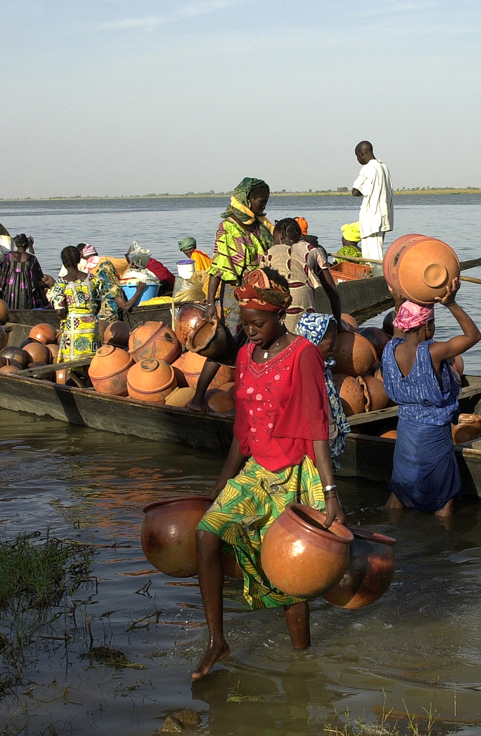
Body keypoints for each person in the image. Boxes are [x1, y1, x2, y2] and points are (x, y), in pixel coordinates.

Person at [192, 268, 344, 680]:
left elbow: (317, 425)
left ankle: (302, 662)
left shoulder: (303, 354)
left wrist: (330, 492)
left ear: (279, 316)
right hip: (257, 470)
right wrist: (221, 484)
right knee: (206, 534)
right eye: (244, 324)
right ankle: (216, 641)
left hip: (294, 472)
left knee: (289, 571)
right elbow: (243, 429)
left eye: (257, 324)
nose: (250, 331)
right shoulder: (244, 355)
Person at [381, 282, 481, 518]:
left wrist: (398, 302)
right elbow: (473, 336)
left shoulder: (391, 349)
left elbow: (399, 331)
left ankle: (390, 526)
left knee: (401, 485)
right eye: (432, 323)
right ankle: (443, 536)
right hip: (432, 433)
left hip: (406, 430)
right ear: (427, 326)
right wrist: (451, 303)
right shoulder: (433, 352)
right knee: (444, 493)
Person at [187, 178, 274, 414]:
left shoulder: (259, 226)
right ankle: (197, 398)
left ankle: (250, 400)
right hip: (235, 298)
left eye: (266, 201)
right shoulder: (228, 227)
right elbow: (218, 267)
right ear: (248, 199)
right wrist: (211, 303)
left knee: (257, 345)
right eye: (260, 201)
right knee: (225, 345)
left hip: (260, 295)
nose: (264, 205)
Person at [295, 312, 351, 469]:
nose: (334, 348)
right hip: (314, 448)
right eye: (331, 344)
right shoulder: (307, 374)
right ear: (314, 342)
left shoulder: (324, 367)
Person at [265, 218, 342, 333]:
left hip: (280, 314)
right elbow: (332, 292)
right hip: (306, 313)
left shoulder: (269, 253)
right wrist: (339, 324)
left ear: (280, 235)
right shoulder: (311, 249)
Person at [49, 245, 101, 364]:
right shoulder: (92, 279)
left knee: (71, 362)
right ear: (79, 260)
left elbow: (60, 311)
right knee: (92, 360)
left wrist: (65, 318)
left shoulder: (61, 283)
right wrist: (89, 314)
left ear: (63, 262)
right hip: (91, 325)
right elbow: (98, 304)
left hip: (73, 326)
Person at [350, 141, 394, 262]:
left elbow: (355, 191)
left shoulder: (368, 168)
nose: (358, 159)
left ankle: (378, 274)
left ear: (362, 153)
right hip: (383, 217)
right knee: (377, 251)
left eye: (357, 156)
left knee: (372, 256)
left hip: (372, 219)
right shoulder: (383, 167)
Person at [0, 234, 47, 310]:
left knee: (10, 307)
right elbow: (37, 279)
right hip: (26, 291)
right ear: (27, 245)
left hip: (11, 289)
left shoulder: (9, 256)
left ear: (16, 245)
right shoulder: (32, 259)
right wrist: (42, 297)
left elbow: (3, 274)